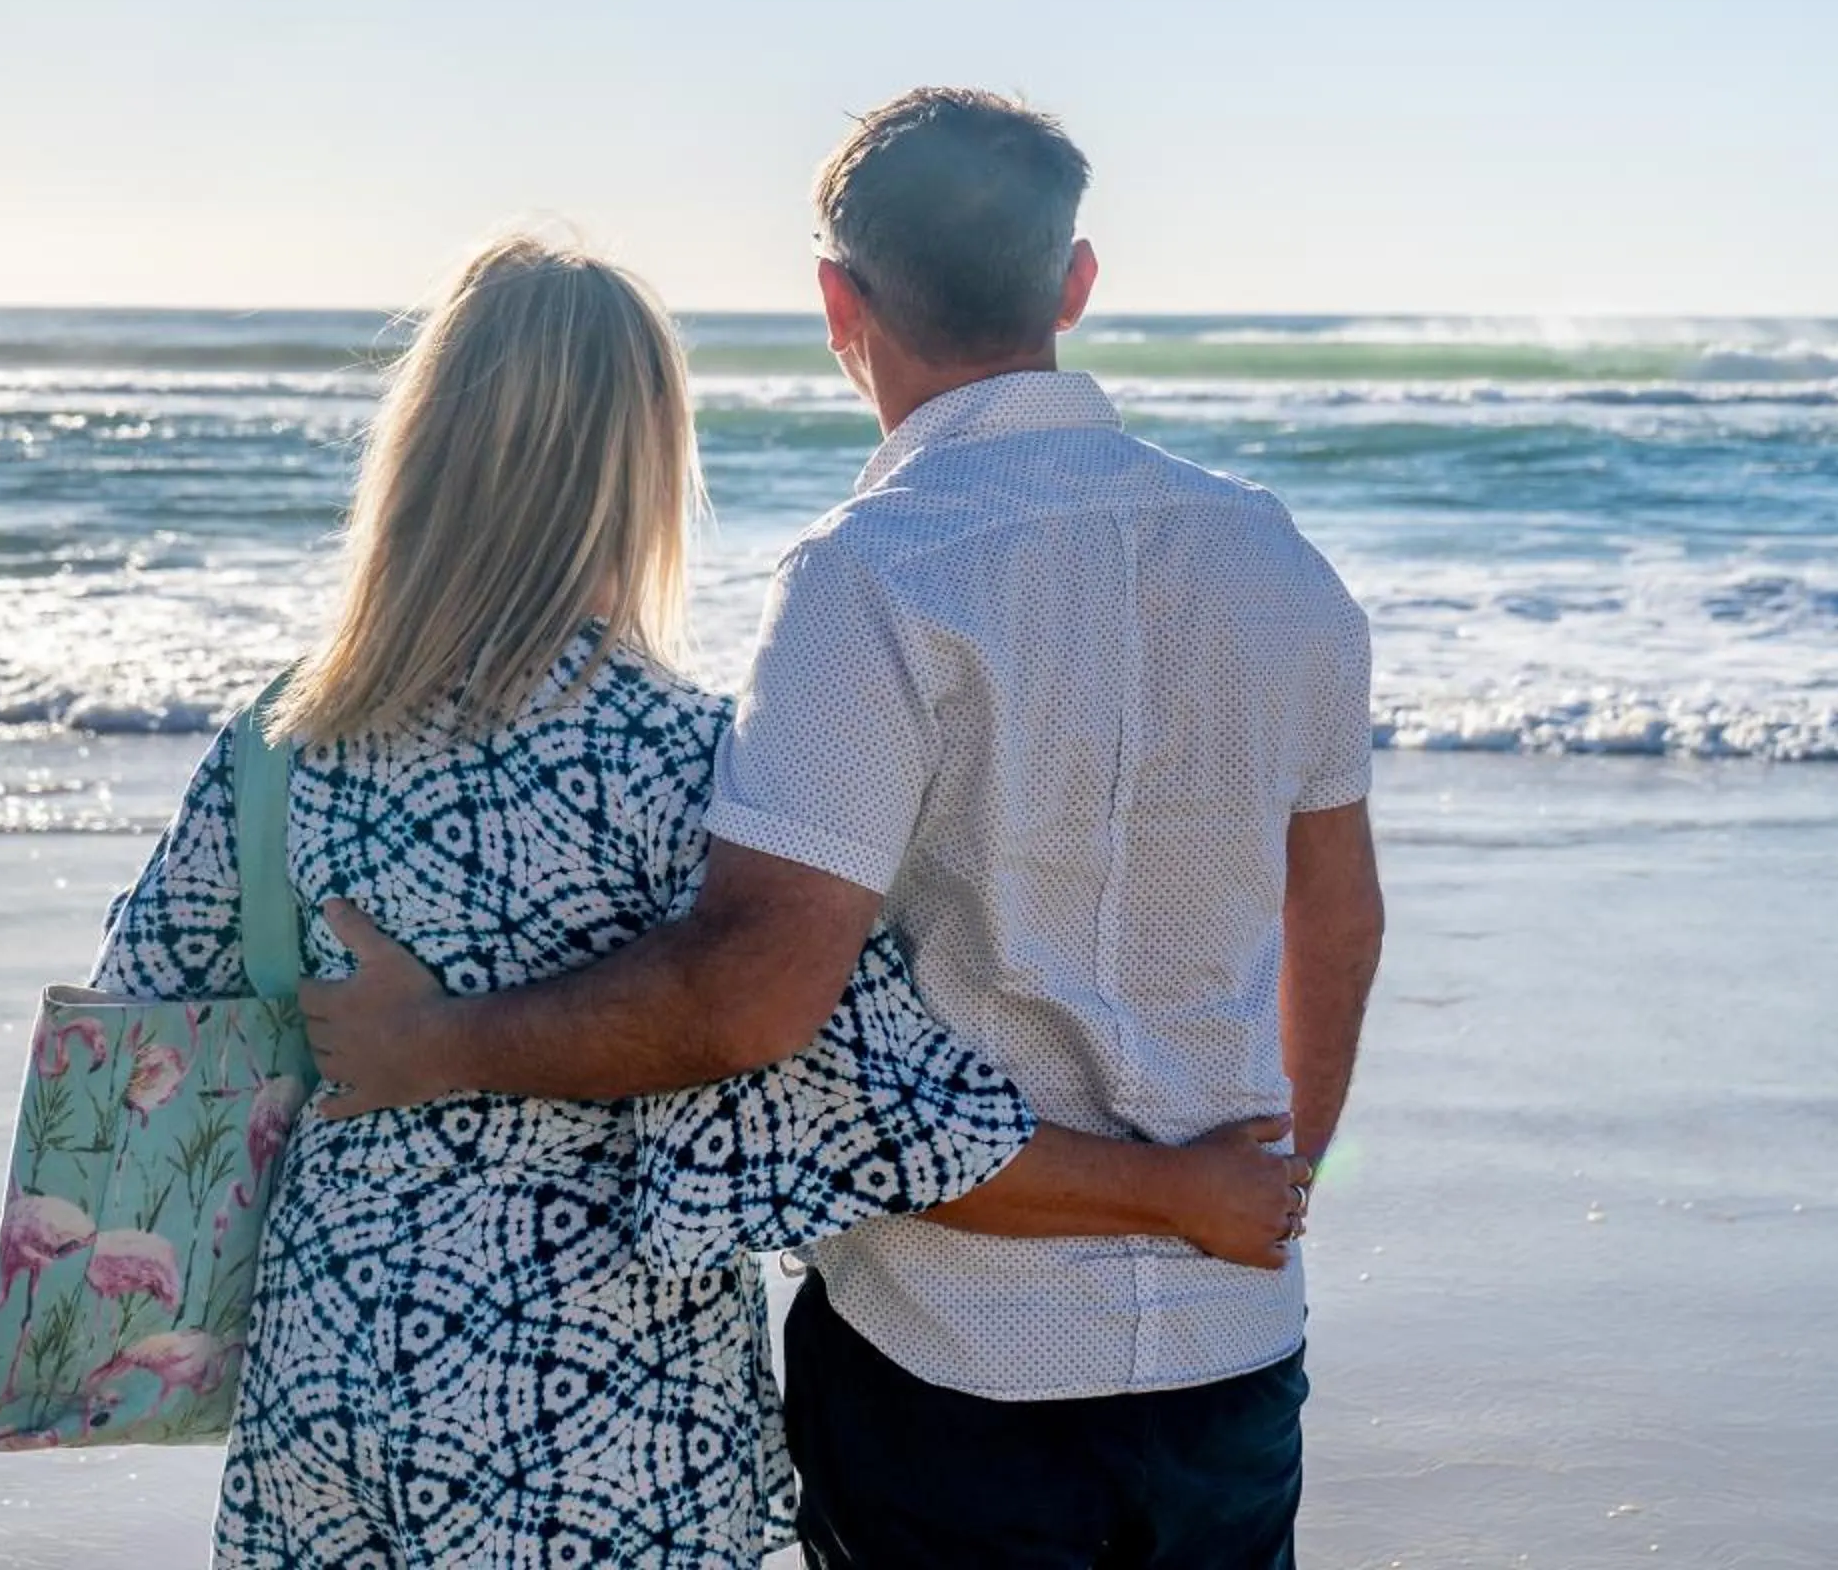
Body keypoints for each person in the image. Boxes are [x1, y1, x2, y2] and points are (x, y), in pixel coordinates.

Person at [89, 231, 1314, 1569]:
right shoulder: (674, 766)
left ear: (419, 452)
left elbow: (132, 1047)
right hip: (588, 1407)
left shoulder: (276, 747)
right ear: (646, 461)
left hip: (322, 1378)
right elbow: (878, 1105)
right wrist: (1174, 1191)